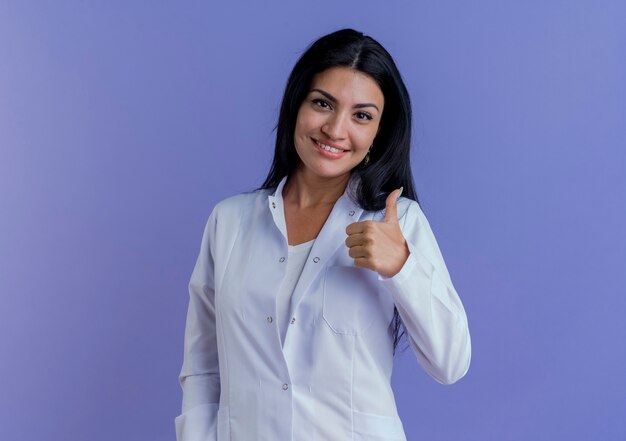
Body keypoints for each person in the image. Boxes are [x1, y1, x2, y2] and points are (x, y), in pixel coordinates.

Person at [175, 28, 471, 441]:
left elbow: (450, 363)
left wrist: (401, 266)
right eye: (322, 104)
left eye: (361, 115)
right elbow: (204, 368)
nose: (335, 129)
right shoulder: (229, 222)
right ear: (296, 105)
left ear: (377, 135)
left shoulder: (398, 223)